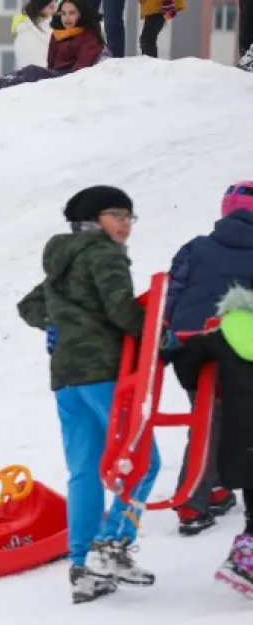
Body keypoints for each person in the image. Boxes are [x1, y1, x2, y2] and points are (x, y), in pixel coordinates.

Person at [17, 185, 163, 604]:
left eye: (130, 217)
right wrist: (163, 336)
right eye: (117, 214)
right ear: (92, 219)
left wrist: (61, 323)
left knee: (84, 470)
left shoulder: (63, 260)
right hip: (103, 372)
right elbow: (122, 311)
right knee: (143, 461)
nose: (125, 225)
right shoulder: (103, 254)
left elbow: (29, 306)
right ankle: (112, 545)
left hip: (66, 377)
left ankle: (82, 567)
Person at [162, 181, 253, 535]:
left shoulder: (196, 247)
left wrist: (166, 337)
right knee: (240, 420)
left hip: (189, 343)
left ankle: (202, 495)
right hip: (236, 342)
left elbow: (174, 290)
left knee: (207, 415)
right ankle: (209, 492)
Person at [170, 283, 253, 598]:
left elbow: (186, 359)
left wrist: (205, 385)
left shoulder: (223, 333)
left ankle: (245, 562)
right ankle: (244, 566)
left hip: (241, 435)